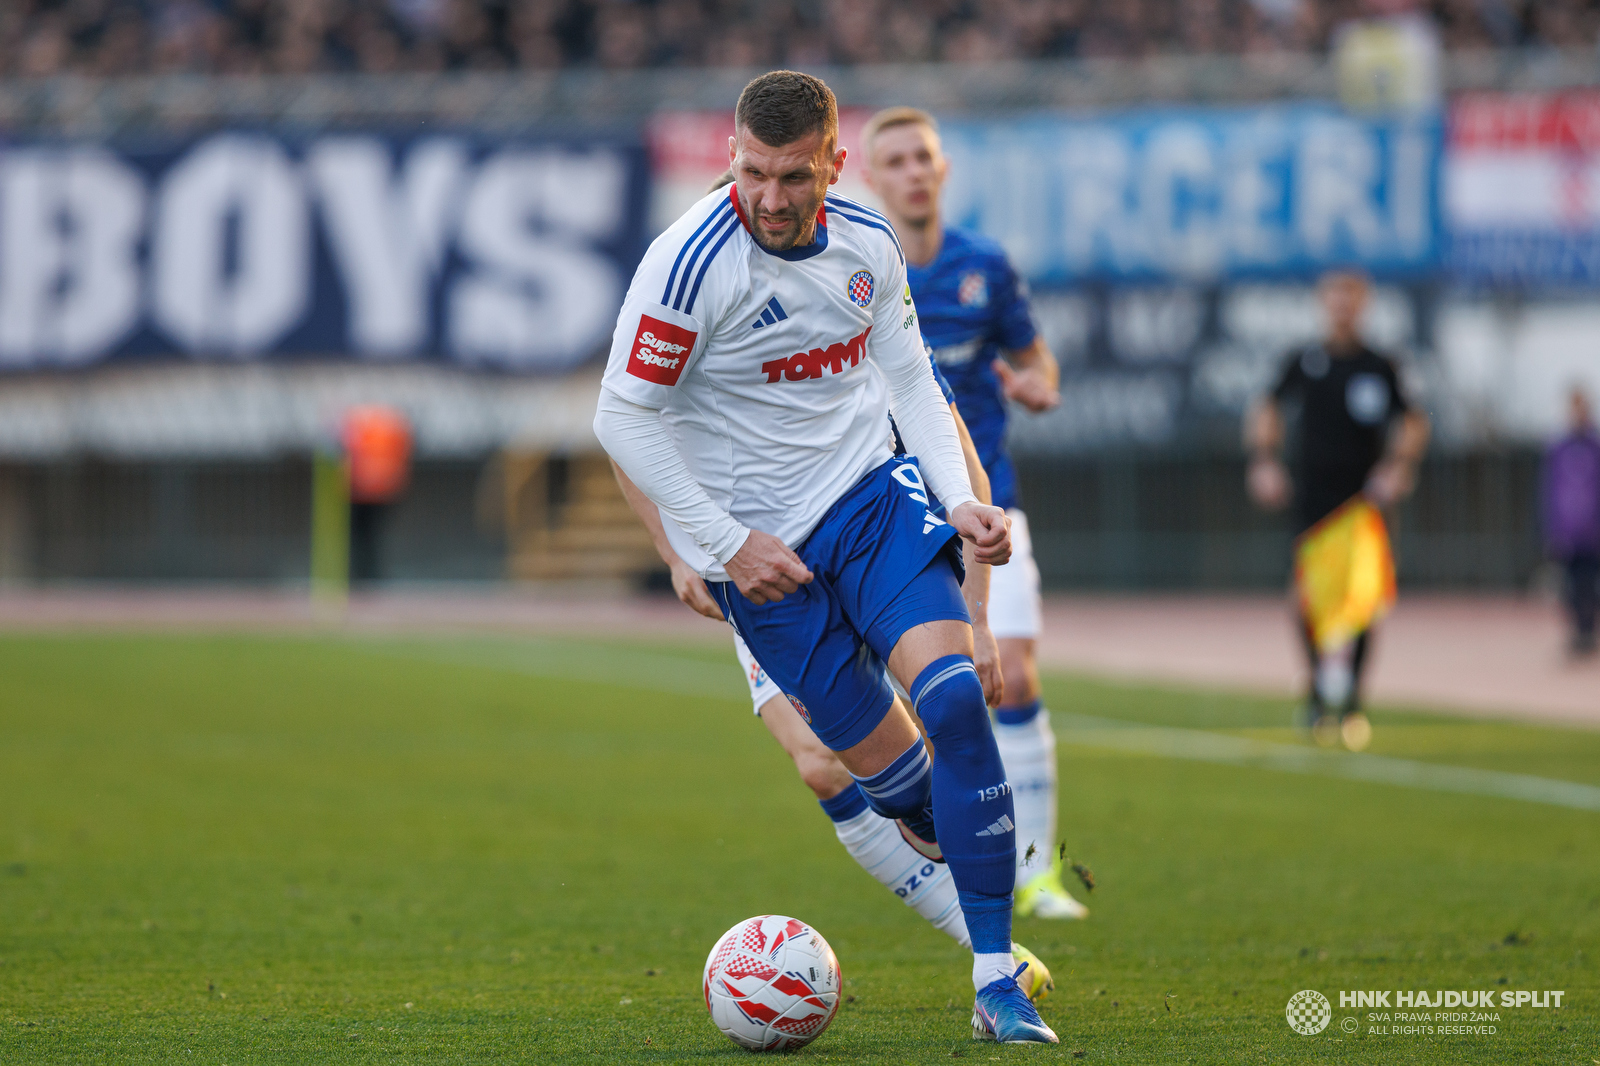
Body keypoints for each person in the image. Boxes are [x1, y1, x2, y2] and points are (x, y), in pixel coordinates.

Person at [594, 71, 1056, 1043]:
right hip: (761, 553)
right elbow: (620, 417)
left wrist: (965, 500)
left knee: (958, 700)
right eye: (751, 172)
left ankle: (993, 982)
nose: (767, 197)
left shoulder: (867, 246)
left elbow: (911, 382)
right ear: (730, 157)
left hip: (867, 500)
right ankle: (959, 871)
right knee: (894, 790)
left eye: (792, 176)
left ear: (833, 166)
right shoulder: (688, 267)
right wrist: (717, 547)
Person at [857, 106, 1085, 921]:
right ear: (870, 176)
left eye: (924, 157)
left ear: (942, 170)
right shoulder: (863, 271)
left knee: (1014, 673)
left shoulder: (985, 266)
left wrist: (1038, 383)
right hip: (898, 520)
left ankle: (1039, 871)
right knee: (934, 701)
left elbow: (1033, 353)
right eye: (897, 161)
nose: (914, 172)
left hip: (989, 507)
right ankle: (956, 855)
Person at [1245, 270, 1430, 749]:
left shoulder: (1380, 364)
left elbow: (1412, 420)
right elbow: (1267, 406)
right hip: (1312, 498)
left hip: (1362, 504)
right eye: (1335, 297)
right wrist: (1264, 461)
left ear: (1363, 304)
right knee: (1306, 598)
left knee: (1364, 600)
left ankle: (1352, 702)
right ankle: (1315, 690)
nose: (1342, 305)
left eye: (1352, 297)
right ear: (1324, 303)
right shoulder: (1305, 361)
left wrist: (1399, 466)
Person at [1542, 386, 1600, 657]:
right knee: (1570, 587)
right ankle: (1577, 633)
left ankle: (1588, 632)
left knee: (1590, 584)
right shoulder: (1558, 448)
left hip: (1592, 531)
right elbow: (1549, 490)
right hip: (1569, 530)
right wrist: (1551, 528)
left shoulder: (1595, 447)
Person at [341, 405, 413, 585]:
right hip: (381, 490)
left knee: (364, 538)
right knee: (369, 539)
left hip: (363, 491)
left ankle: (365, 578)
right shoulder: (392, 427)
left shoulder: (365, 429)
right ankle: (368, 577)